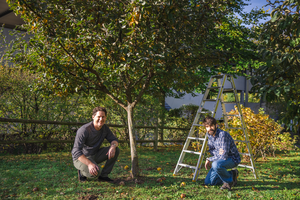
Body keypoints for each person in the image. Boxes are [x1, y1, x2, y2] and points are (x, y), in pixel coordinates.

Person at [71, 106, 120, 182]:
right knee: (95, 173)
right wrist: (90, 164)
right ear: (93, 117)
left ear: (106, 117)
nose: (101, 119)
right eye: (99, 117)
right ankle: (82, 173)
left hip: (95, 154)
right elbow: (76, 151)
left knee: (116, 149)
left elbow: (114, 140)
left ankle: (104, 176)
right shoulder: (84, 130)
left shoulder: (104, 128)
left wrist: (113, 146)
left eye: (103, 117)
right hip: (81, 158)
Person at [203, 116, 240, 190]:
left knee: (215, 164)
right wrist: (218, 152)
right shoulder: (209, 135)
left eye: (211, 126)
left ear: (216, 125)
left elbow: (224, 156)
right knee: (209, 182)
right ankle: (232, 174)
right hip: (220, 159)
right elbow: (211, 150)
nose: (209, 128)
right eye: (207, 127)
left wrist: (209, 159)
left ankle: (228, 182)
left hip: (232, 159)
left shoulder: (223, 135)